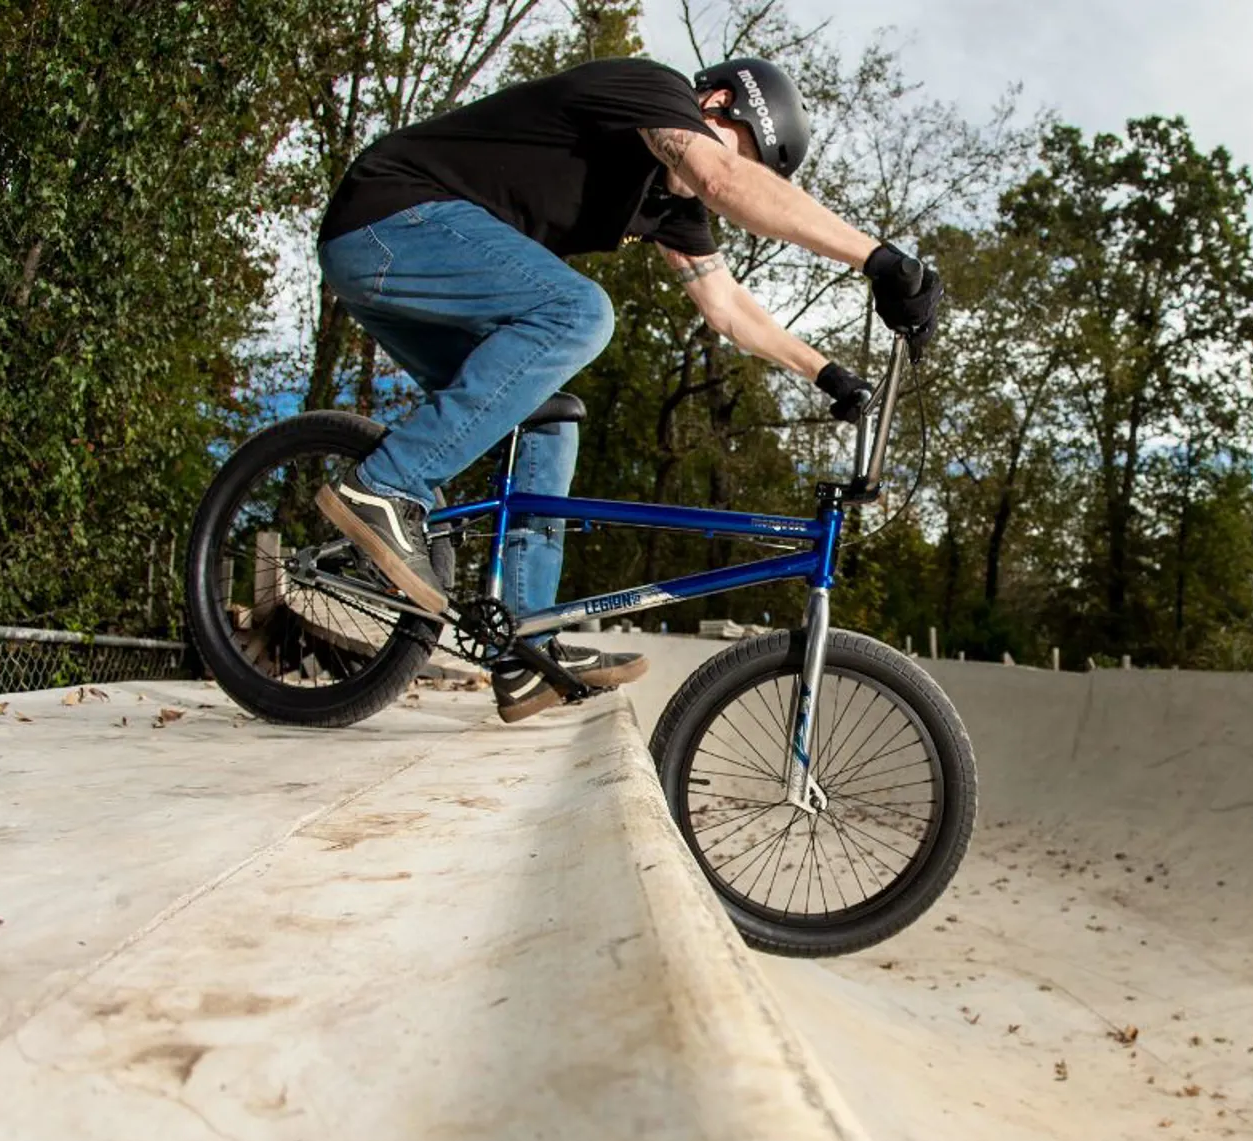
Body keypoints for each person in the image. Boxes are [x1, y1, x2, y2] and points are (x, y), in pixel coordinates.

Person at [311, 55, 941, 723]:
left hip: (412, 276)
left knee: (547, 419)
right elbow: (722, 177)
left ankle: (524, 648)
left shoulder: (670, 208)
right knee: (580, 313)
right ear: (716, 104)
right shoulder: (652, 91)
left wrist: (827, 373)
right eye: (746, 153)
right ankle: (386, 484)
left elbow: (727, 308)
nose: (723, 183)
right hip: (387, 222)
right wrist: (879, 258)